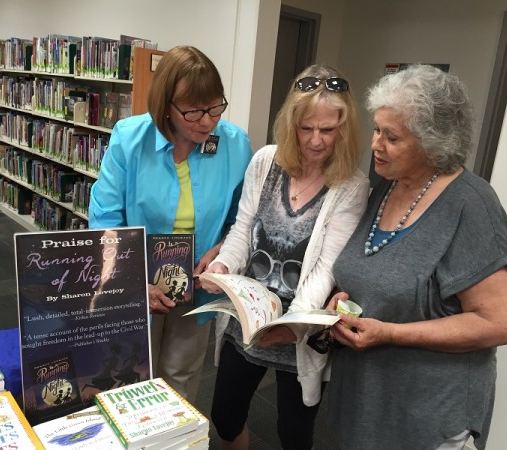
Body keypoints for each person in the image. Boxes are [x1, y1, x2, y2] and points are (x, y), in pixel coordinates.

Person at [327, 64, 507, 450]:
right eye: (377, 129)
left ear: (434, 143)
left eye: (392, 136)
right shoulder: (386, 186)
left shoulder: (472, 204)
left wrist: (392, 333)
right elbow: (372, 273)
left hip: (428, 417)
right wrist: (341, 302)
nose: (376, 145)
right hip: (367, 402)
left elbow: (498, 324)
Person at [201, 64, 370, 450]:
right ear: (290, 123)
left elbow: (327, 266)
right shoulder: (265, 161)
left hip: (301, 326)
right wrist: (222, 265)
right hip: (248, 315)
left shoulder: (351, 185)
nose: (315, 141)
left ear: (343, 130)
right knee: (225, 416)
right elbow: (242, 229)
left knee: (293, 433)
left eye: (327, 130)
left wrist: (294, 325)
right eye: (305, 128)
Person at [88, 45, 253, 403]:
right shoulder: (129, 139)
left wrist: (222, 249)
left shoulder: (235, 144)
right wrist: (131, 280)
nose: (207, 121)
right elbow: (105, 221)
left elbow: (243, 218)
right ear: (166, 105)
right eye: (193, 111)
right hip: (134, 279)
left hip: (197, 281)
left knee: (181, 376)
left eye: (215, 107)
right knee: (127, 375)